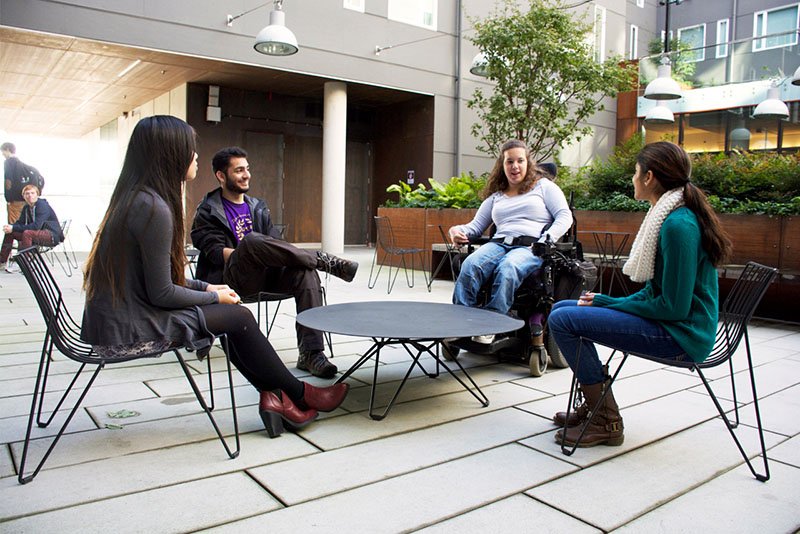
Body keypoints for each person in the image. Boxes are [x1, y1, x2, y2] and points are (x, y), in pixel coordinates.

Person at [81, 115, 348, 438]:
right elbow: (163, 294)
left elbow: (168, 278)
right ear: (169, 154)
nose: (195, 156)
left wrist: (206, 287)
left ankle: (281, 395)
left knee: (241, 312)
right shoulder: (157, 209)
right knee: (238, 317)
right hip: (128, 325)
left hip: (119, 314)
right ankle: (299, 393)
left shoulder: (140, 198)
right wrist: (213, 295)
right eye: (190, 149)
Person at [548, 141, 731, 448]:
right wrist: (610, 302)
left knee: (564, 319)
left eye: (635, 172)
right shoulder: (669, 214)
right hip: (677, 325)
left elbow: (672, 307)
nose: (632, 179)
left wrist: (612, 302)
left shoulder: (678, 225)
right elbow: (659, 293)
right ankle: (597, 404)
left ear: (649, 178)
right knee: (564, 307)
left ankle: (606, 420)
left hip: (681, 335)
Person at [191, 146, 358, 379]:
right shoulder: (208, 211)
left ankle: (311, 353)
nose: (246, 174)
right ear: (221, 175)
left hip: (265, 276)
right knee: (251, 242)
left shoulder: (257, 207)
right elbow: (215, 252)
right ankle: (324, 260)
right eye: (239, 170)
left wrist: (264, 252)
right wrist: (249, 252)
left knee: (305, 273)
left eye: (247, 169)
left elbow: (276, 245)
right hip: (230, 282)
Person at [448, 139, 573, 343]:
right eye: (509, 161)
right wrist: (455, 231)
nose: (515, 166)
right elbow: (474, 227)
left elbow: (564, 216)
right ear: (502, 165)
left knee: (507, 269)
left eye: (520, 160)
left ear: (527, 163)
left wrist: (545, 240)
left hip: (530, 246)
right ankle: (461, 322)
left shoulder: (544, 187)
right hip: (498, 243)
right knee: (470, 265)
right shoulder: (497, 196)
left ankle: (491, 325)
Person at [1, 184, 63, 272]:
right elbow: (20, 222)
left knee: (27, 233)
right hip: (37, 234)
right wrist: (11, 227)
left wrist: (14, 228)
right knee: (11, 232)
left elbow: (36, 226)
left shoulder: (42, 206)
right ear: (23, 196)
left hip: (51, 235)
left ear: (37, 195)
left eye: (32, 193)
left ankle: (25, 263)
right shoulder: (26, 207)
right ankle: (2, 262)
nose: (30, 196)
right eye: (27, 194)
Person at [3, 142, 29, 225]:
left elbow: (8, 182)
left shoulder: (9, 162)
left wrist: (8, 199)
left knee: (13, 226)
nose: (2, 154)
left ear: (7, 150)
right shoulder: (21, 164)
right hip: (24, 199)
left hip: (14, 200)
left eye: (2, 151)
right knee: (23, 223)